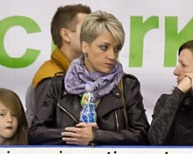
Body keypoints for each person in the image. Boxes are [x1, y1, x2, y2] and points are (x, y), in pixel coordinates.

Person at [29, 11, 149, 146]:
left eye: (116, 49)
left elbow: (143, 135)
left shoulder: (127, 85)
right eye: (104, 47)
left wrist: (97, 136)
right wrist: (77, 135)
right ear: (85, 47)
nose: (112, 55)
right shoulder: (59, 85)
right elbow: (35, 133)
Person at [25, 4, 91, 124]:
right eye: (86, 29)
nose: (94, 35)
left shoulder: (87, 72)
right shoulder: (49, 77)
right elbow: (45, 133)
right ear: (66, 35)